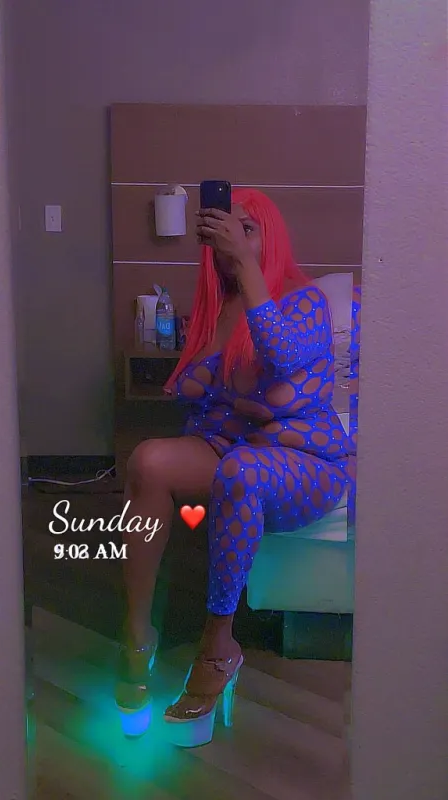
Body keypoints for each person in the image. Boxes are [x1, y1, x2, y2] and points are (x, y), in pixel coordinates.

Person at [115, 188, 354, 746]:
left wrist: (246, 273)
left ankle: (219, 645)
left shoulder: (305, 299)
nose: (232, 239)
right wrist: (223, 335)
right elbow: (188, 391)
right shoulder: (220, 306)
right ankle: (136, 635)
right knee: (149, 460)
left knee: (244, 469)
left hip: (306, 462)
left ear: (269, 235)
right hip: (233, 447)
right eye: (224, 228)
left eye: (247, 229)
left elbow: (283, 356)